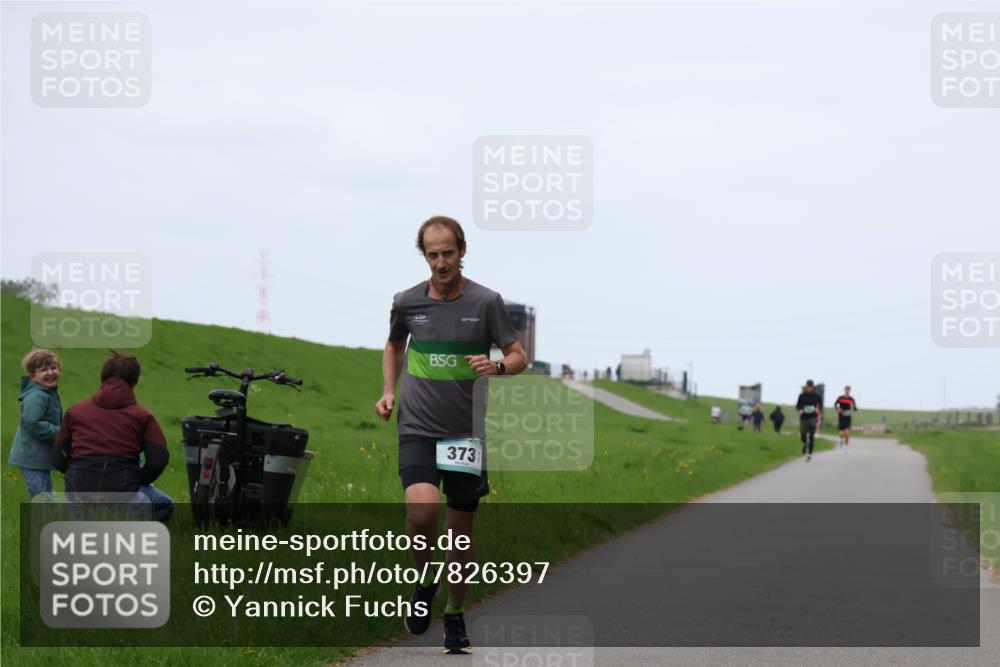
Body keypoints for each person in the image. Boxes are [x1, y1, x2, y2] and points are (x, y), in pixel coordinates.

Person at [375, 216, 526, 654]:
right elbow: (393, 345)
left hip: (464, 434)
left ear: (463, 250)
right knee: (422, 513)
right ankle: (425, 582)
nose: (441, 262)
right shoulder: (406, 302)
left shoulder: (486, 302)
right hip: (418, 426)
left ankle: (456, 615)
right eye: (432, 254)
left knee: (460, 531)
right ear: (424, 255)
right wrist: (388, 390)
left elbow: (518, 357)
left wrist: (496, 366)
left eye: (448, 253)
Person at [51, 351, 174, 521]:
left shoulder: (75, 411)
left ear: (103, 377)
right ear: (135, 380)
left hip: (78, 492)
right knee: (165, 505)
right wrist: (140, 479)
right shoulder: (143, 416)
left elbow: (57, 456)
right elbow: (159, 458)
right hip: (124, 491)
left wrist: (74, 471)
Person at [8, 349, 62, 497]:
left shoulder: (47, 393)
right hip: (31, 458)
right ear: (32, 376)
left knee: (46, 495)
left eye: (53, 367)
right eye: (44, 370)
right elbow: (33, 423)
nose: (50, 372)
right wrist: (60, 433)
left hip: (38, 457)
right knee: (42, 496)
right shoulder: (37, 396)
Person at [796, 380, 823, 461]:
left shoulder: (817, 396)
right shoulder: (801, 395)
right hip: (804, 417)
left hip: (813, 417)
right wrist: (800, 410)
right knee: (803, 435)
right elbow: (798, 405)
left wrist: (818, 409)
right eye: (808, 386)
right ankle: (805, 444)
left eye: (811, 387)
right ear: (806, 386)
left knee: (811, 436)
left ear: (813, 387)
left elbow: (820, 405)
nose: (809, 388)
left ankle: (810, 454)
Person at [833, 386, 859, 453]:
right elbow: (835, 405)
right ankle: (841, 441)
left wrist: (854, 409)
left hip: (848, 417)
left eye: (848, 390)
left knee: (847, 433)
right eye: (846, 389)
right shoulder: (840, 398)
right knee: (842, 433)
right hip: (841, 417)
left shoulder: (851, 399)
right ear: (844, 390)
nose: (847, 391)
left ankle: (846, 447)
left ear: (850, 391)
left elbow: (855, 407)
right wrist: (838, 409)